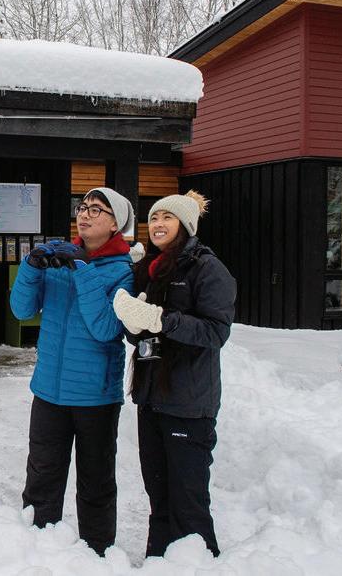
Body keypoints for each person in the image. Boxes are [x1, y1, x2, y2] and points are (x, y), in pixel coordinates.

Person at [10, 187, 137, 556]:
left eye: (97, 210)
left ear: (115, 224)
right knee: (41, 476)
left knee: (96, 482)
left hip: (95, 396)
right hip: (49, 390)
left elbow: (106, 329)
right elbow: (21, 310)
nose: (84, 214)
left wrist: (83, 270)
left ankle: (97, 553)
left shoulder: (123, 272)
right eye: (83, 207)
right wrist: (31, 266)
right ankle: (37, 547)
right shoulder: (59, 262)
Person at [112, 190, 236, 559]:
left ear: (186, 225)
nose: (158, 224)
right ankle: (159, 559)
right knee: (159, 493)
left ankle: (198, 560)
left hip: (188, 402)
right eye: (153, 217)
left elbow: (216, 332)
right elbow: (142, 334)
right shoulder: (150, 269)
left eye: (167, 217)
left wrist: (162, 319)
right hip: (151, 397)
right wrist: (134, 324)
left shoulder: (207, 268)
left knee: (188, 498)